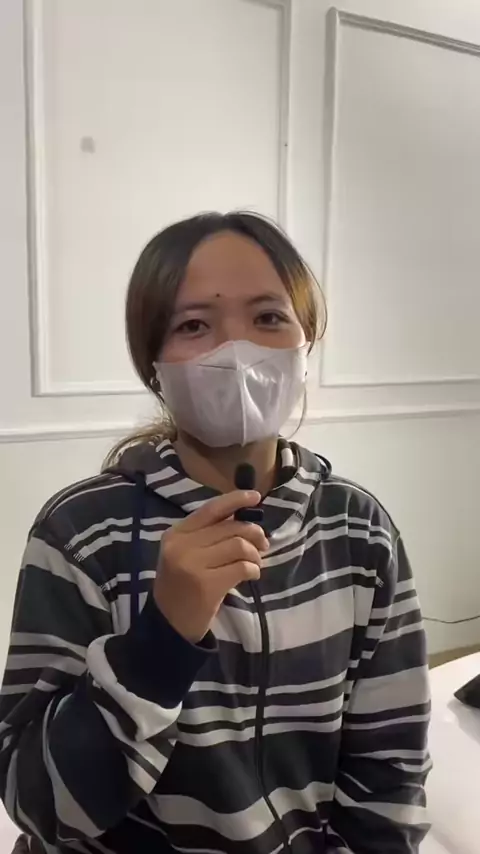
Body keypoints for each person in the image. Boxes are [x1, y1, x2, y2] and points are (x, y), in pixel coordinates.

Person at [0, 212, 430, 854]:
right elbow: (37, 802)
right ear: (153, 363)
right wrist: (160, 643)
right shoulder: (82, 533)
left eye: (268, 317)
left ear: (307, 344)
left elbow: (390, 776)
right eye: (194, 325)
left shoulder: (360, 532)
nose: (237, 353)